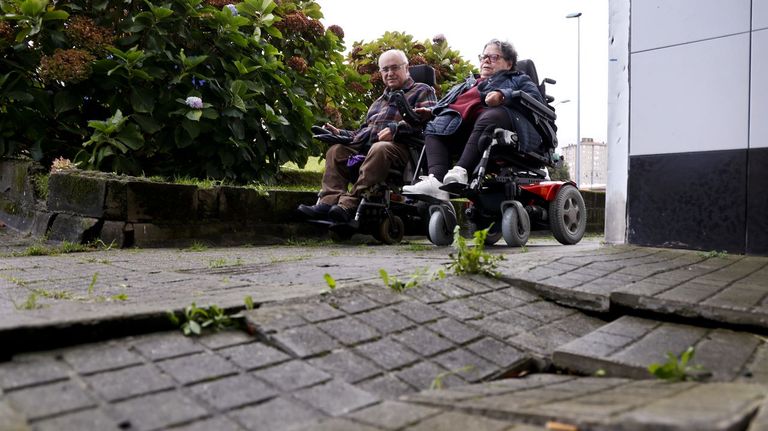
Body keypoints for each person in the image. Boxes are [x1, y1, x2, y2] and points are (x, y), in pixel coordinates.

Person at [297, 49, 437, 223]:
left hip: (404, 149)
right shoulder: (378, 102)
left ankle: (349, 204)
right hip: (371, 148)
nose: (390, 73)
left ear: (406, 68)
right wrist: (340, 133)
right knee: (336, 150)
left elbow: (429, 120)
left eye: (395, 68)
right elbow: (364, 132)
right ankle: (328, 202)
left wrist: (397, 129)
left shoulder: (422, 90)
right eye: (385, 69)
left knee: (380, 148)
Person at [403, 39, 544, 200]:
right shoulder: (467, 84)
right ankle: (436, 181)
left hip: (499, 124)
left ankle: (461, 171)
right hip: (461, 128)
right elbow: (445, 104)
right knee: (434, 125)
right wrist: (430, 112)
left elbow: (536, 99)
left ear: (509, 63)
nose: (486, 61)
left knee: (492, 115)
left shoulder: (518, 79)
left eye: (493, 57)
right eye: (483, 57)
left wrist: (503, 95)